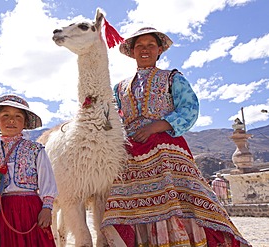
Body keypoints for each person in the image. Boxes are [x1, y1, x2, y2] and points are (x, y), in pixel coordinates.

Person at [101, 27, 250, 247]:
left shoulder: (172, 78)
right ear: (132, 51)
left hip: (167, 147)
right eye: (139, 46)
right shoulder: (119, 88)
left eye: (151, 45)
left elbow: (189, 108)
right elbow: (113, 118)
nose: (145, 49)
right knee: (130, 206)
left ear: (159, 49)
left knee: (178, 202)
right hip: (130, 154)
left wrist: (157, 126)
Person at [0, 94, 57, 247]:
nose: (11, 120)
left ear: (25, 122)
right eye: (5, 115)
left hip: (30, 209)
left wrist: (47, 208)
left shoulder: (35, 149)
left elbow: (47, 180)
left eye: (18, 116)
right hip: (1, 211)